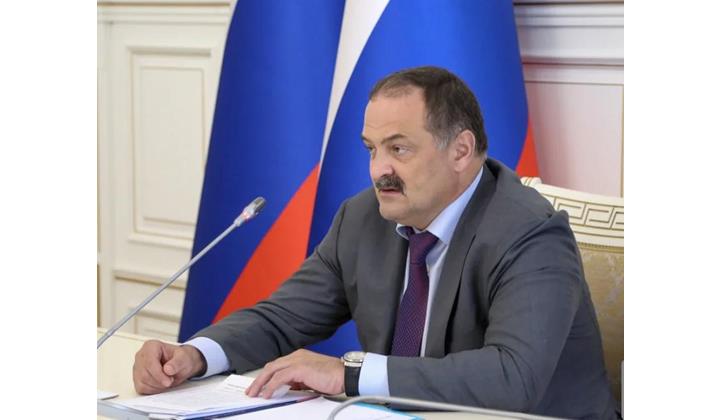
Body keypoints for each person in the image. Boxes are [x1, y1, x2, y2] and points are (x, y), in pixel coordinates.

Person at [133, 66, 618, 419]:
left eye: (399, 149)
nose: (378, 170)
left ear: (461, 150)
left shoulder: (529, 232)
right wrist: (196, 356)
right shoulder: (364, 217)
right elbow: (282, 318)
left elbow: (513, 376)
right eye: (372, 149)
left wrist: (349, 374)